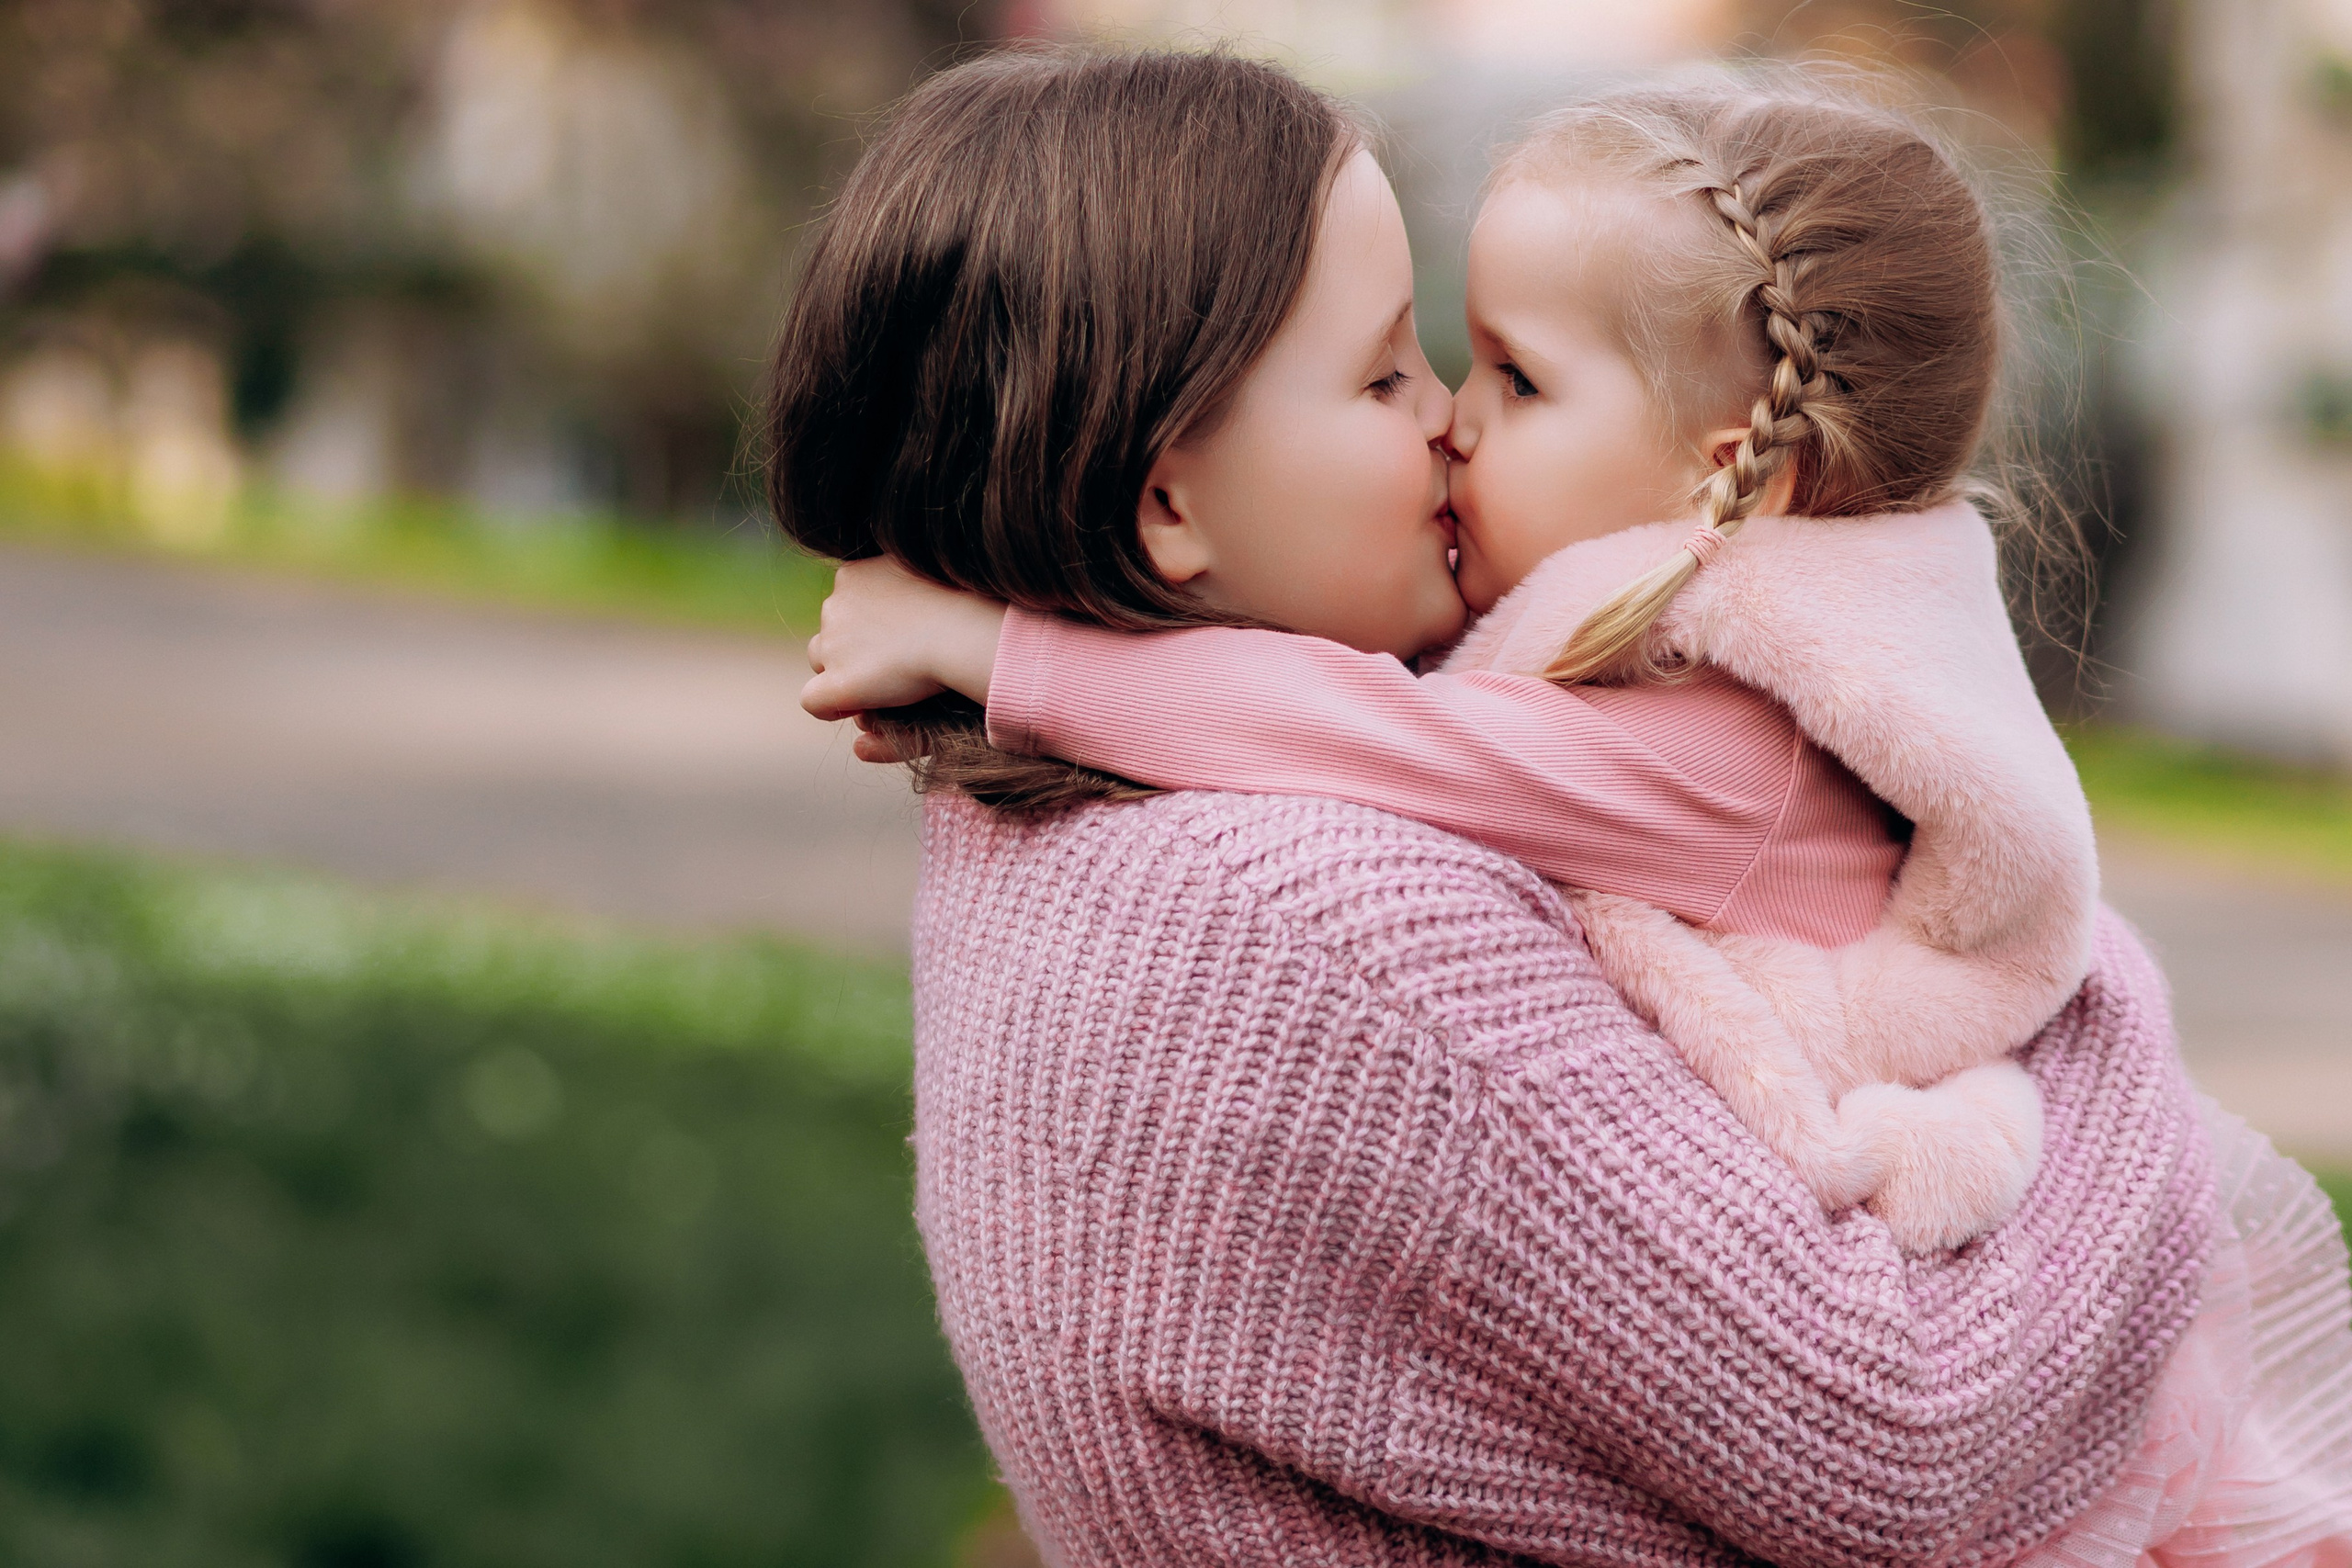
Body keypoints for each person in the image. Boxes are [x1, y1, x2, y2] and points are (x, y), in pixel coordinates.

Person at [768, 47, 2233, 1566]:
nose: (1448, 422)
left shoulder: (1075, 839)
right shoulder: (1308, 919)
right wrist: (2105, 1022)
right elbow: (1902, 1433)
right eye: (1388, 368)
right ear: (1166, 505)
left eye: (1484, 370)